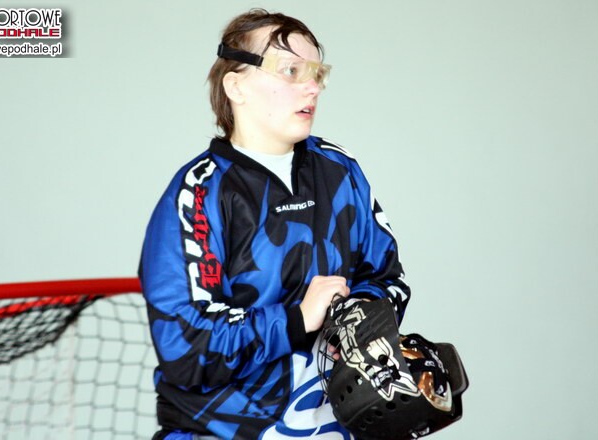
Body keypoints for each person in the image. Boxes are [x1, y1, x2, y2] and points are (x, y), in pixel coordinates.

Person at [139, 8, 411, 439]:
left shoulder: (339, 170)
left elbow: (385, 277)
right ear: (236, 86)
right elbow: (186, 348)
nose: (312, 87)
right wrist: (296, 320)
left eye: (317, 73)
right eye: (291, 71)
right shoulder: (200, 193)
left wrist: (357, 319)